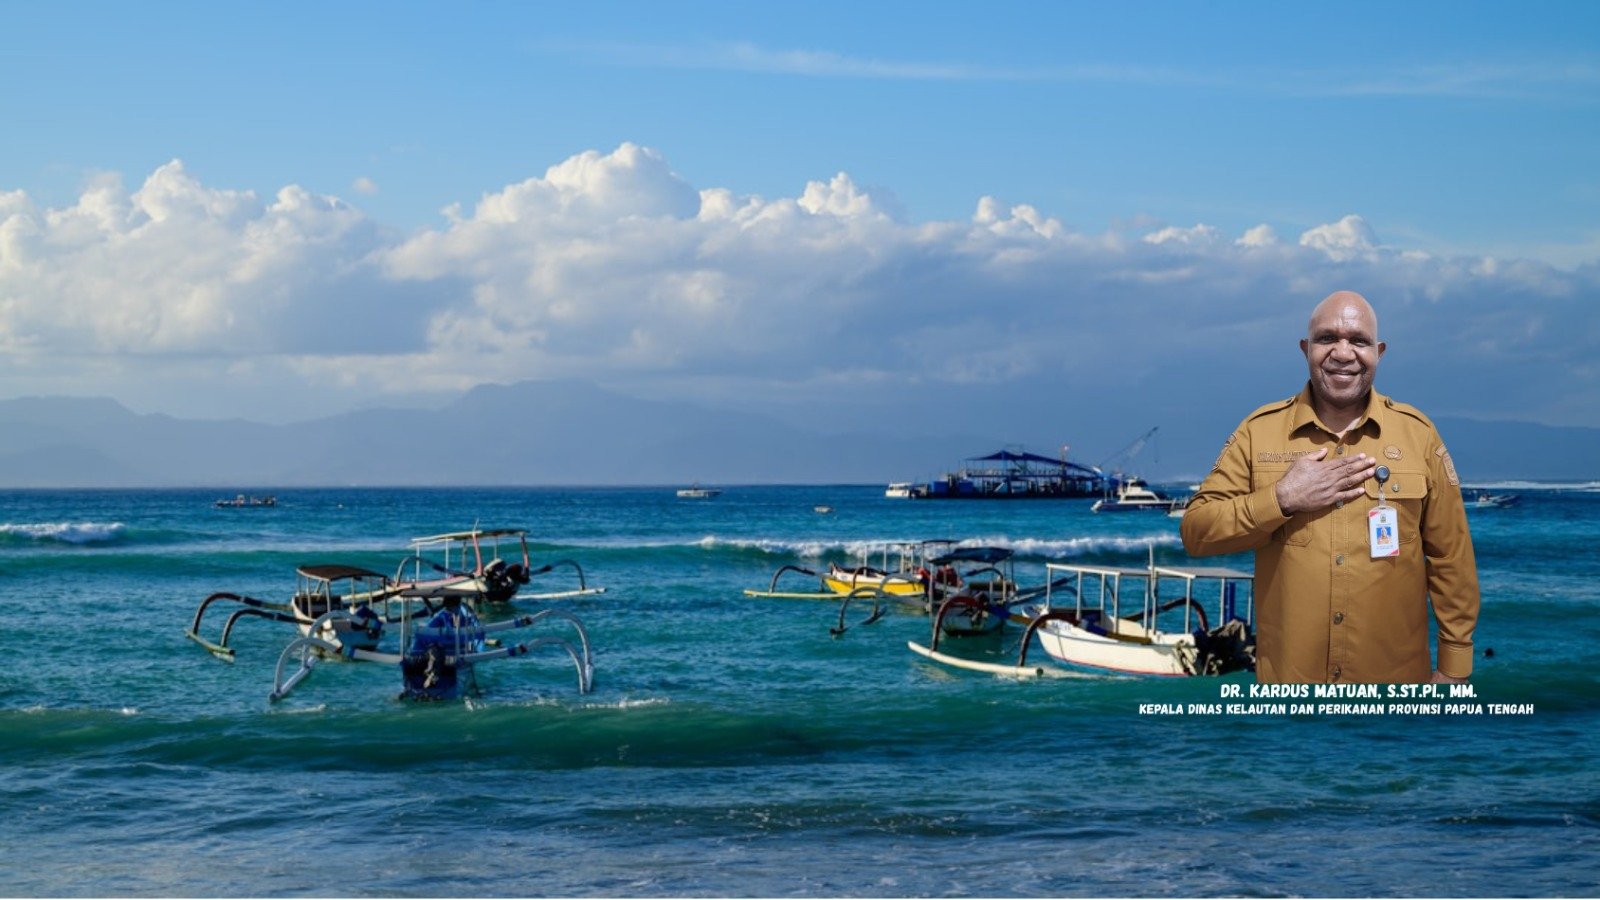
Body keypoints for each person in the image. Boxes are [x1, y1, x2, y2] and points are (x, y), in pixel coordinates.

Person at [1180, 291, 1479, 683]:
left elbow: (1451, 558)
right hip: (1291, 693)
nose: (1342, 353)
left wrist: (1454, 668)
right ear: (1306, 349)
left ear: (1379, 352)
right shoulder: (1258, 432)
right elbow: (1196, 532)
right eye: (1327, 339)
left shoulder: (1418, 435)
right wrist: (1281, 498)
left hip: (1393, 692)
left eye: (1358, 341)